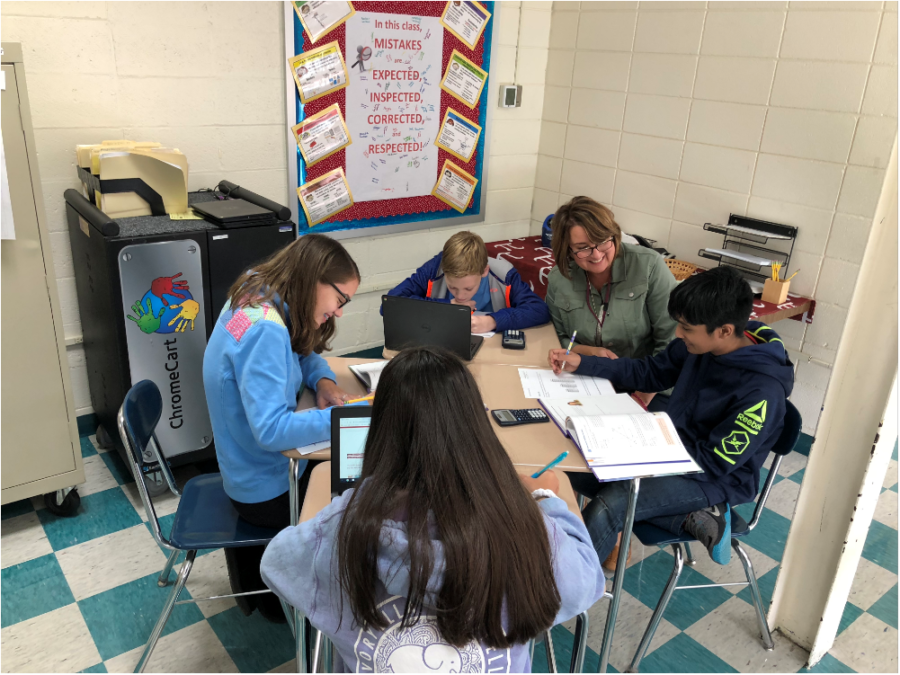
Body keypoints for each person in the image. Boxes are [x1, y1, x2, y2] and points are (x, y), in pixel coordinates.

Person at [261, 347, 605, 672]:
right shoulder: (523, 530)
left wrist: (354, 501)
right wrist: (545, 498)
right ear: (475, 428)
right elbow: (587, 579)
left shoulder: (343, 529)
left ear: (380, 430)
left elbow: (275, 563)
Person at [548, 266, 794, 567]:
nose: (678, 334)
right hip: (669, 447)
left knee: (614, 503)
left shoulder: (762, 393)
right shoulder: (701, 345)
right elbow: (649, 373)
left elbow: (717, 461)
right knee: (567, 464)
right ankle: (693, 517)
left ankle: (562, 590)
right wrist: (583, 363)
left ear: (724, 331)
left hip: (714, 477)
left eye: (687, 328)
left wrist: (646, 448)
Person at [203, 234, 360, 621]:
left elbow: (299, 348)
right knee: (362, 479)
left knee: (347, 462)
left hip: (242, 469)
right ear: (315, 279)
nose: (339, 312)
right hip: (263, 491)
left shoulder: (258, 291)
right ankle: (333, 603)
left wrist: (322, 380)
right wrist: (352, 417)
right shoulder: (265, 331)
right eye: (340, 299)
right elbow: (272, 432)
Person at [545, 196, 678, 410]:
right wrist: (587, 351)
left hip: (648, 385)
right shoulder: (560, 279)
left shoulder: (649, 267)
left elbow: (672, 341)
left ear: (615, 235)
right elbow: (557, 337)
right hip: (589, 378)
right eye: (582, 247)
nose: (596, 254)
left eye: (603, 241)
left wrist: (643, 395)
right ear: (567, 249)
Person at [386, 230, 550, 334]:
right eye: (452, 287)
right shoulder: (434, 269)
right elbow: (390, 305)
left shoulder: (504, 274)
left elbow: (539, 310)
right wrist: (445, 307)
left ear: (484, 271)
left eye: (468, 288)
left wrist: (493, 321)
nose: (460, 295)